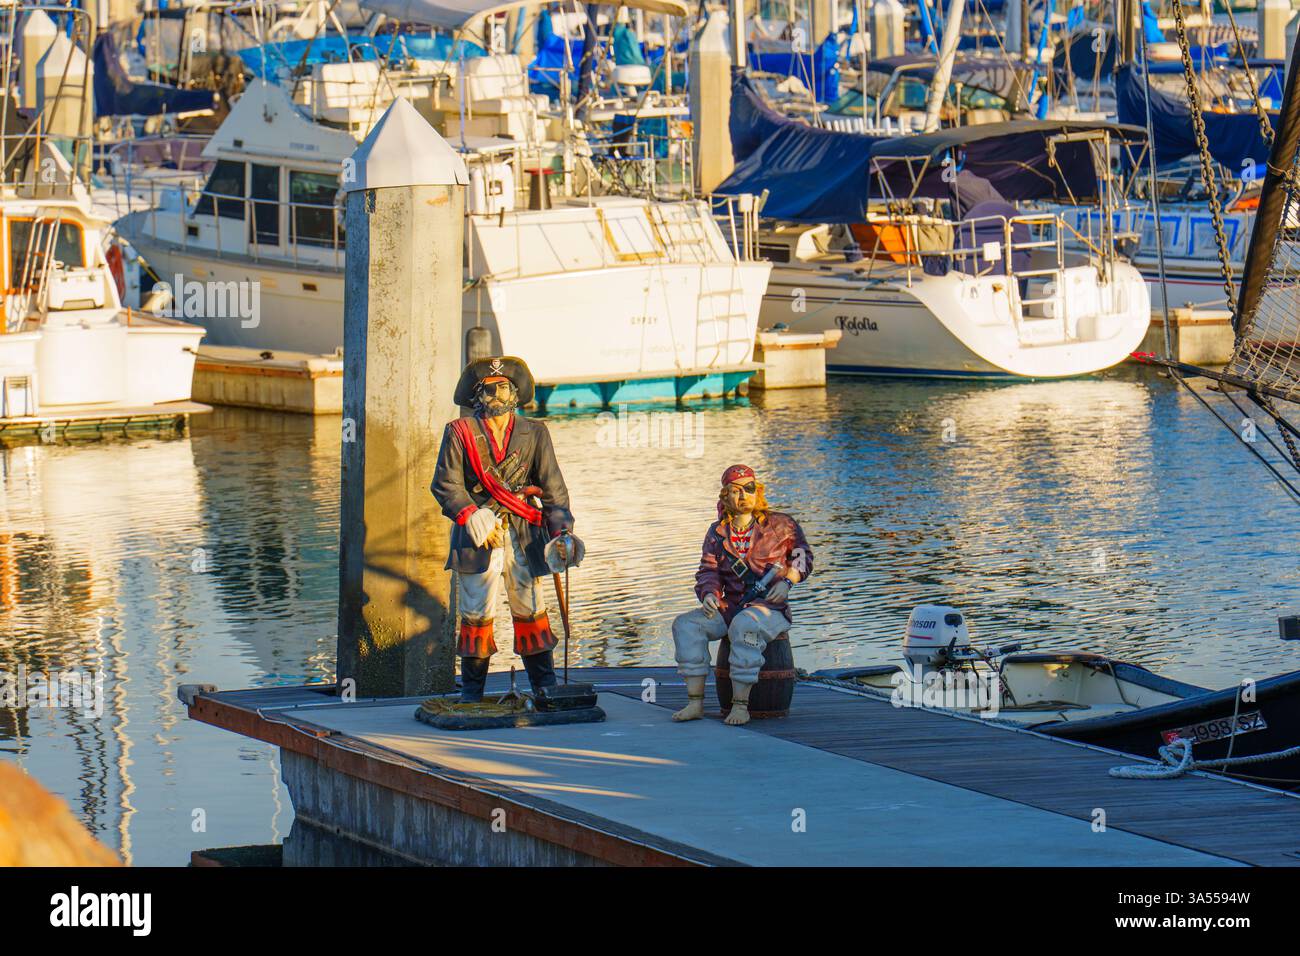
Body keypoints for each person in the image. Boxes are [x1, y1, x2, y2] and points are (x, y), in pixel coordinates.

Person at [430, 356, 584, 702]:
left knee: (530, 607)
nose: (495, 395)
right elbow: (445, 484)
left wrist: (562, 533)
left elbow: (554, 490)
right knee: (476, 612)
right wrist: (470, 514)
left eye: (502, 387)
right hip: (477, 534)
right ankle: (471, 693)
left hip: (524, 534)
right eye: (488, 389)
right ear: (476, 395)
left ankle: (544, 686)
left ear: (515, 392)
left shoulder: (536, 433)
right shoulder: (459, 433)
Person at [671, 465, 813, 726]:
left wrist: (788, 583)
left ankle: (740, 705)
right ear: (725, 497)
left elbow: (803, 557)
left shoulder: (782, 525)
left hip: (770, 608)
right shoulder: (717, 533)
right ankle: (695, 702)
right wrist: (709, 594)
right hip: (730, 605)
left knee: (745, 626)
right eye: (735, 491)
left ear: (758, 492)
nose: (743, 496)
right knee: (686, 625)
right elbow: (708, 570)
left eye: (749, 489)